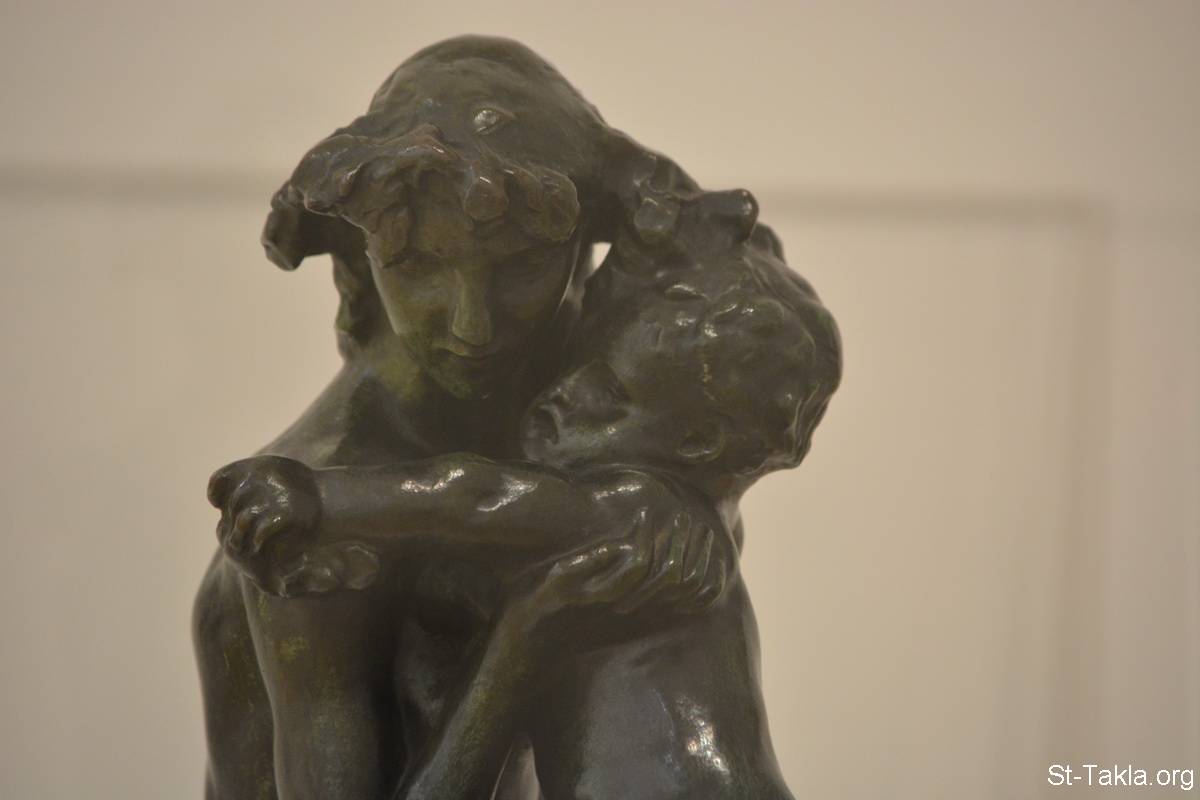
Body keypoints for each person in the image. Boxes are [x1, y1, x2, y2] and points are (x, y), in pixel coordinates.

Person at [194, 35, 834, 800]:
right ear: (362, 254)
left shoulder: (609, 409)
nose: (474, 326)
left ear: (586, 248)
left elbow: (719, 314)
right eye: (421, 265)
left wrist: (703, 508)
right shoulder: (317, 523)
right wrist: (527, 637)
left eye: (523, 266)